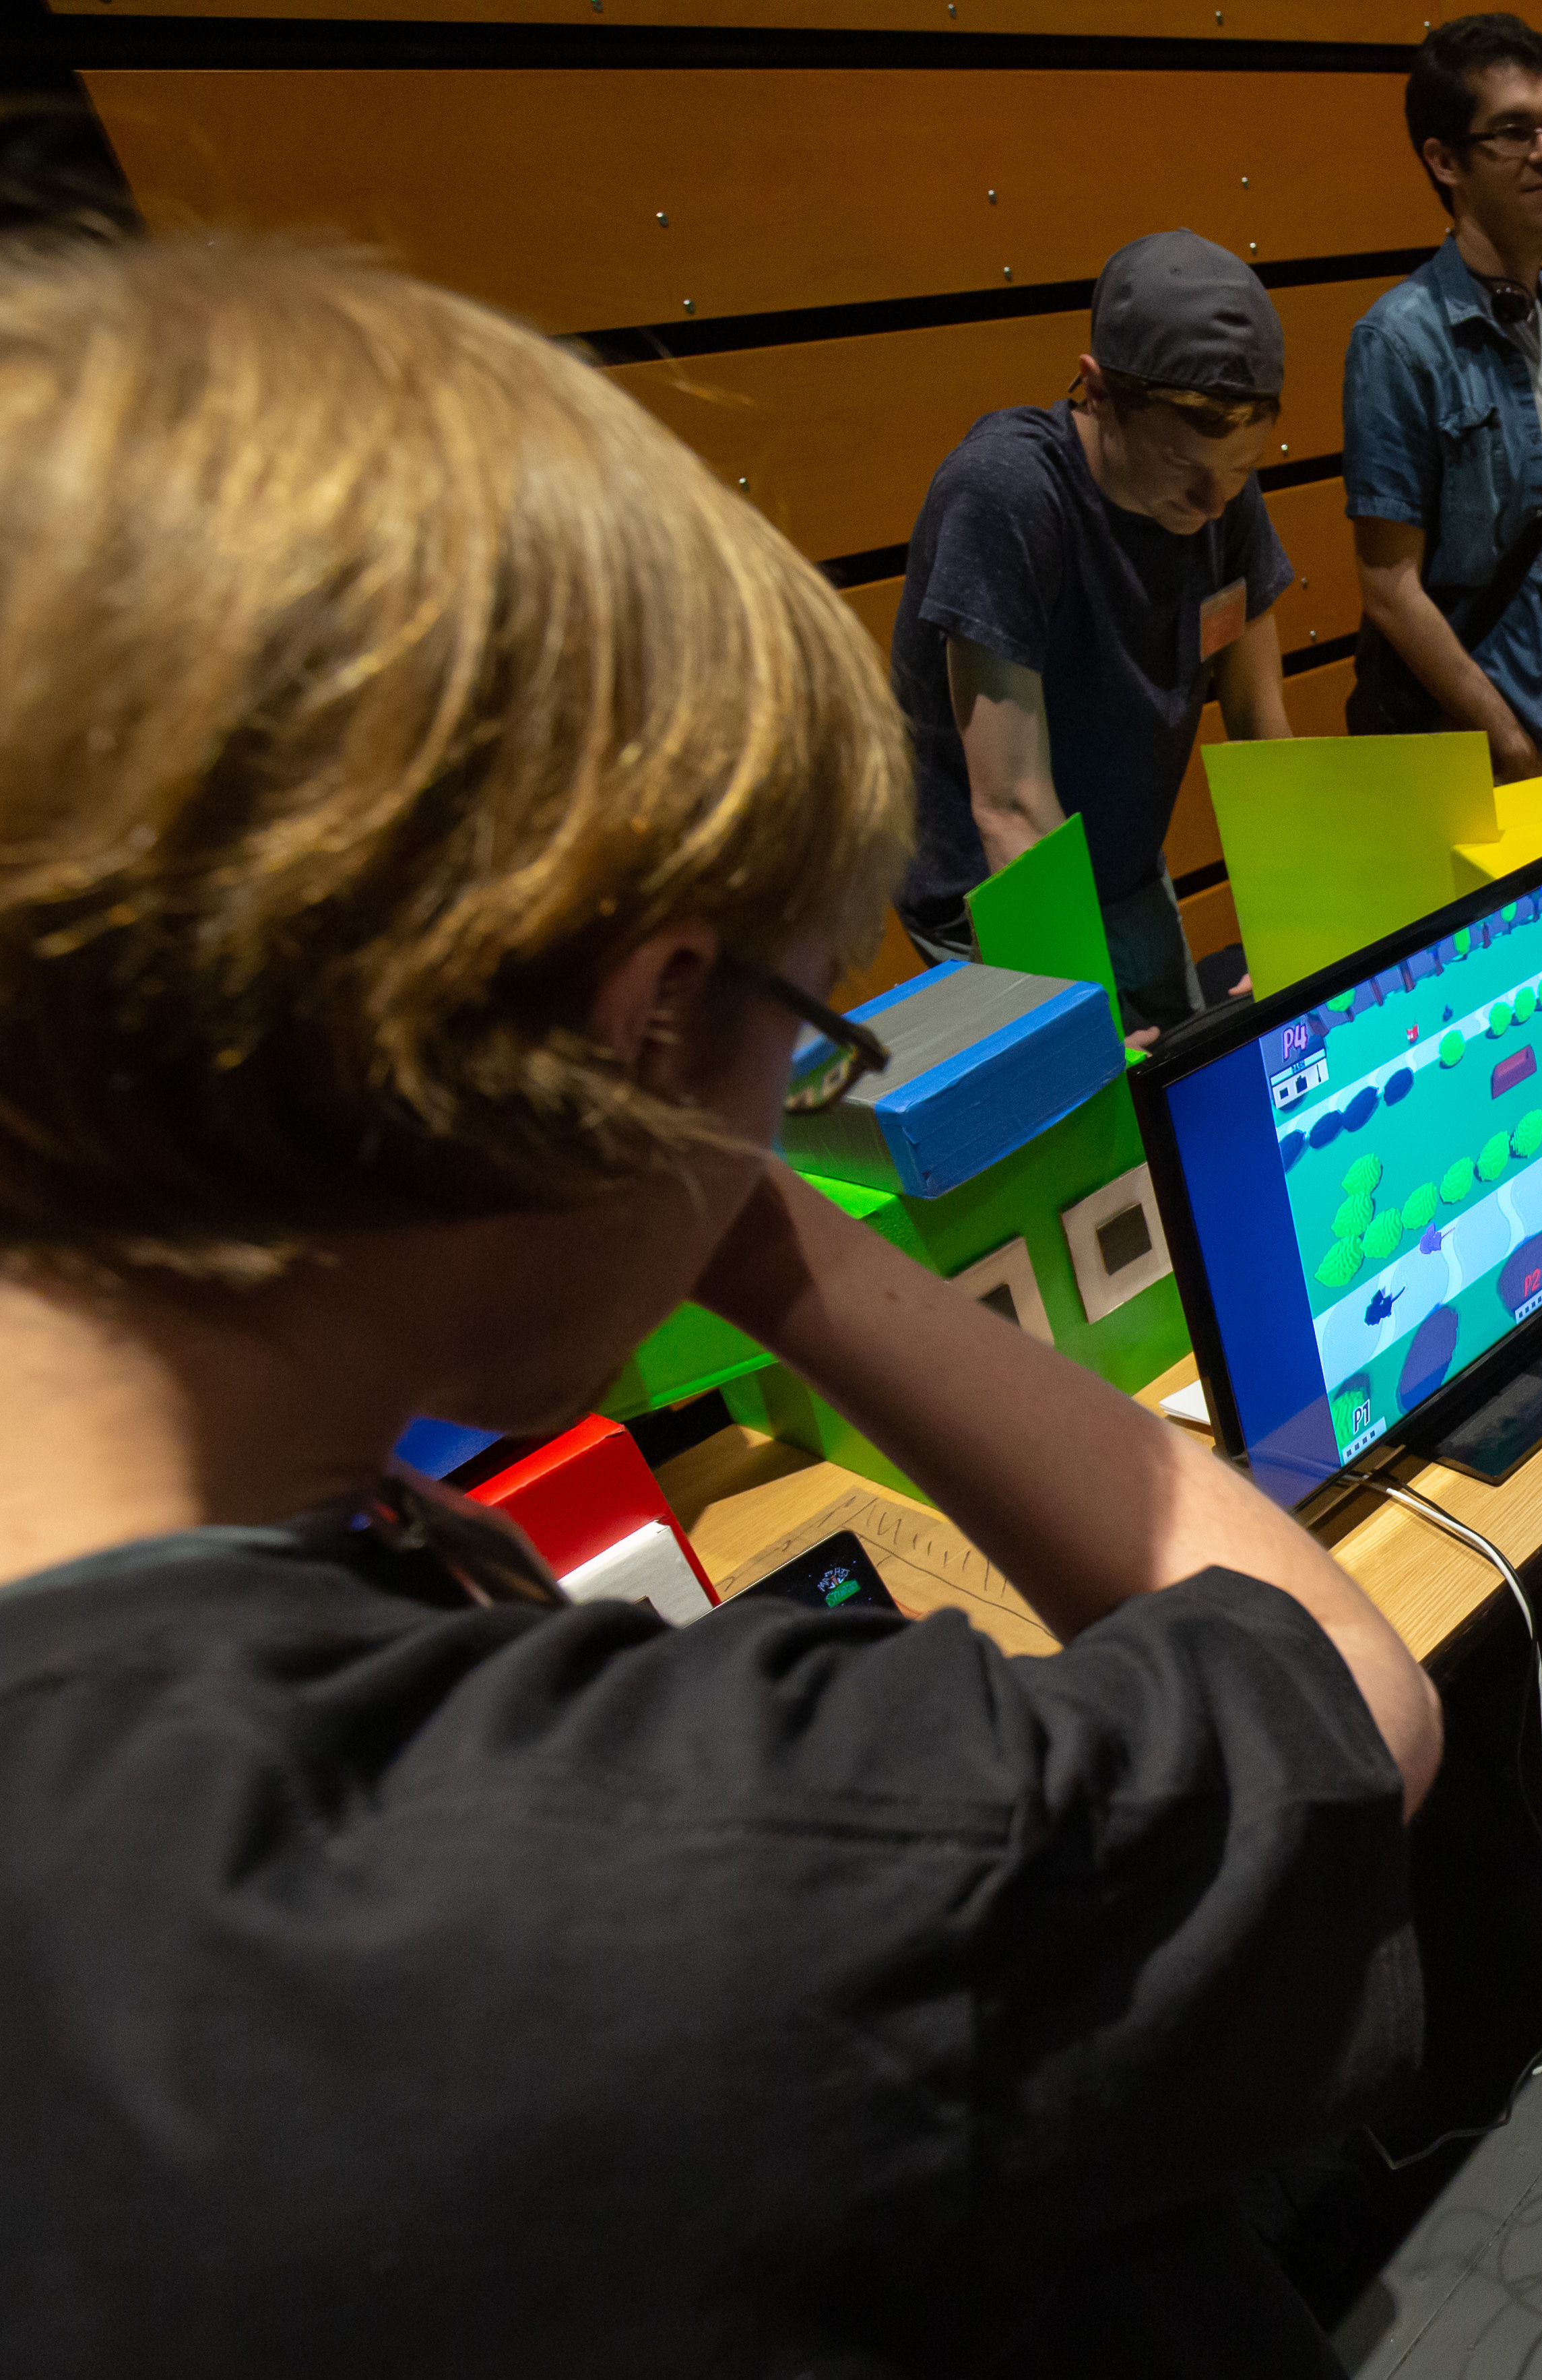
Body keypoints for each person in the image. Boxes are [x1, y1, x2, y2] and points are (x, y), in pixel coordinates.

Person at [0, 236, 1444, 2377]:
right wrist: (765, 1228)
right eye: (804, 1017)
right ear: (648, 1016)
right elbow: (1345, 1694)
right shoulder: (661, 1866)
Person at [892, 228, 1295, 1046]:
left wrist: (1295, 921)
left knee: (1187, 1102)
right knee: (1096, 1141)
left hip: (1122, 869)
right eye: (1187, 470)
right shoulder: (1006, 492)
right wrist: (1081, 1028)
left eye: (1240, 471)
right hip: (993, 898)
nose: (1216, 503)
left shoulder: (1219, 495)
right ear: (1097, 390)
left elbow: (1260, 721)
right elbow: (1007, 802)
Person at [1343, 11, 1542, 778]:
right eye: (1513, 133)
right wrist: (1505, 739)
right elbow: (1387, 586)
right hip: (1505, 743)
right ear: (1445, 161)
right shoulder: (1400, 342)